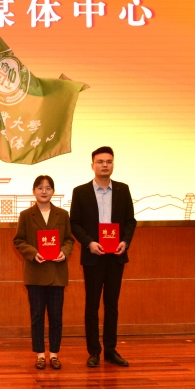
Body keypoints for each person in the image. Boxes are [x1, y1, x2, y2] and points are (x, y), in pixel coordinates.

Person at [70, 147, 137, 368]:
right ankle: (93, 352)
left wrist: (125, 241)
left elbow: (130, 221)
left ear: (113, 165)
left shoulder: (122, 189)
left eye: (108, 161)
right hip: (94, 256)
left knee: (112, 305)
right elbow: (74, 223)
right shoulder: (80, 192)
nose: (104, 165)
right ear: (92, 165)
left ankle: (110, 350)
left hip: (116, 255)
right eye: (100, 162)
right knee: (92, 305)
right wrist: (89, 243)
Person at [13, 175, 74, 370]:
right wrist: (33, 253)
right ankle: (40, 354)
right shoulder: (26, 215)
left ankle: (54, 354)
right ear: (34, 191)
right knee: (37, 316)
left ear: (53, 191)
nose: (44, 191)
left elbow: (69, 239)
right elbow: (19, 240)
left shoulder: (62, 214)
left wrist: (64, 252)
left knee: (56, 317)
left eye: (48, 188)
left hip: (57, 273)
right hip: (35, 273)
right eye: (40, 187)